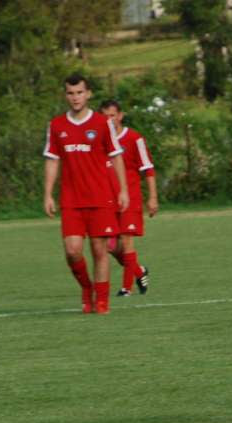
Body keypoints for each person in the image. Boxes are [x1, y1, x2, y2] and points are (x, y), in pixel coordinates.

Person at [43, 74, 129, 314]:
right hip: (71, 199)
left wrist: (123, 190)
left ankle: (101, 302)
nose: (75, 98)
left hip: (100, 197)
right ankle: (86, 287)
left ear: (88, 94)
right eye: (70, 93)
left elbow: (116, 156)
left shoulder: (103, 123)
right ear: (65, 95)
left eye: (79, 92)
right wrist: (48, 194)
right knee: (72, 251)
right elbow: (52, 160)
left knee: (100, 251)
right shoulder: (57, 125)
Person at [99, 99, 159, 297]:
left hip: (130, 199)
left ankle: (126, 289)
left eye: (112, 115)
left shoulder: (134, 138)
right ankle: (139, 271)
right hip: (107, 201)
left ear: (120, 116)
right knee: (109, 246)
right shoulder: (100, 140)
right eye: (105, 116)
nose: (109, 120)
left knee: (126, 243)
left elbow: (148, 169)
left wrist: (152, 197)